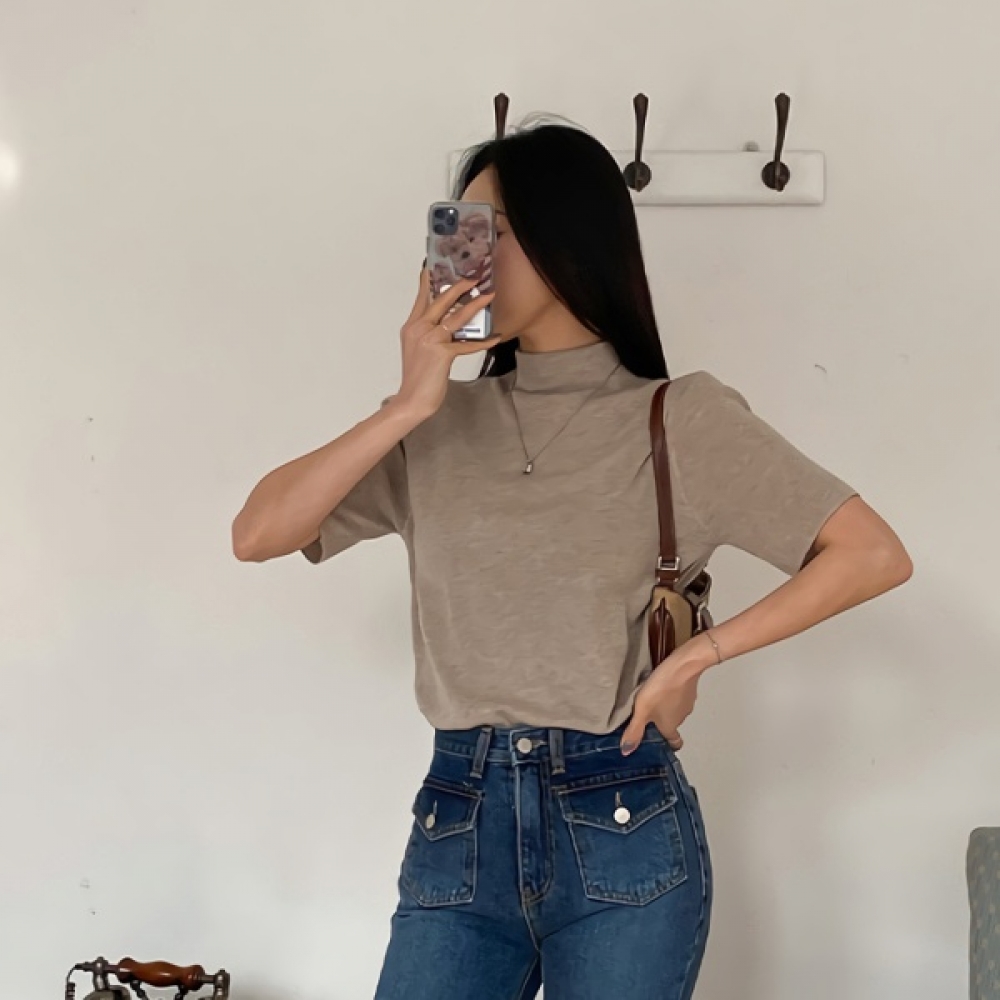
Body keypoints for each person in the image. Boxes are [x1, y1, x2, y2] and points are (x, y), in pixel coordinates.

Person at [231, 120, 913, 1000]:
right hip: (457, 820)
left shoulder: (682, 419)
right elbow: (257, 534)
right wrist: (406, 403)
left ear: (566, 237)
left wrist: (698, 657)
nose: (466, 256)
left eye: (491, 231)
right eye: (457, 230)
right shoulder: (435, 428)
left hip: (619, 817)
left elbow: (870, 554)